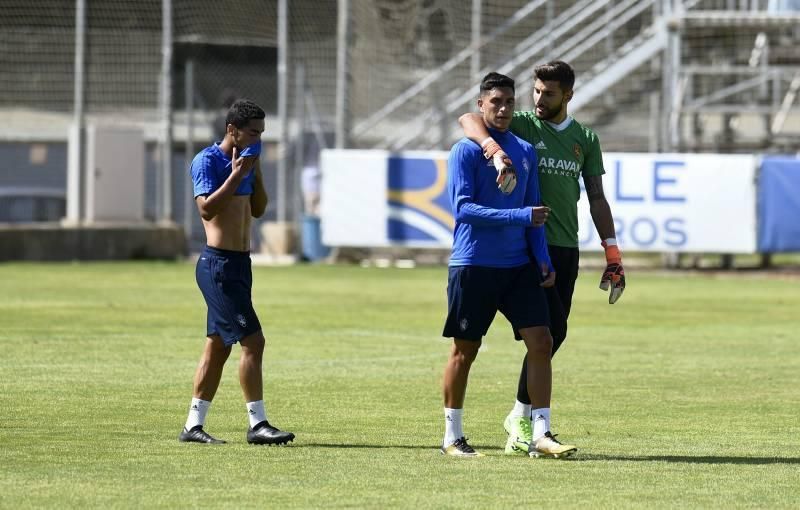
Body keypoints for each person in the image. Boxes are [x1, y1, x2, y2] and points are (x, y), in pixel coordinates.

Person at [458, 61, 625, 455]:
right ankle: (525, 422)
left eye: (548, 94)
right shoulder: (524, 125)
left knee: (556, 334)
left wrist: (612, 252)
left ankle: (520, 413)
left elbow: (597, 197)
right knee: (543, 337)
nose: (538, 100)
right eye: (535, 91)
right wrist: (493, 147)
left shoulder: (585, 138)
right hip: (532, 246)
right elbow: (468, 117)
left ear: (568, 95)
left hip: (567, 247)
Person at [441, 72, 577, 458]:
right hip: (474, 265)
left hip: (518, 267)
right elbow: (463, 210)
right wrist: (519, 218)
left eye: (508, 102)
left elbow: (534, 208)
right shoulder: (465, 151)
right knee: (465, 350)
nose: (502, 109)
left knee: (543, 340)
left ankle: (541, 433)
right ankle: (452, 437)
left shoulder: (523, 149)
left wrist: (544, 260)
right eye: (494, 102)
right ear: (480, 105)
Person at [179, 99, 295, 446]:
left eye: (262, 132)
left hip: (240, 266)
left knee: (217, 347)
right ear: (232, 130)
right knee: (253, 341)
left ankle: (192, 426)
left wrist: (254, 172)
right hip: (218, 266)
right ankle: (258, 423)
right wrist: (236, 175)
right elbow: (206, 209)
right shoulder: (207, 160)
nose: (258, 138)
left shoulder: (249, 160)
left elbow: (258, 209)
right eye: (253, 132)